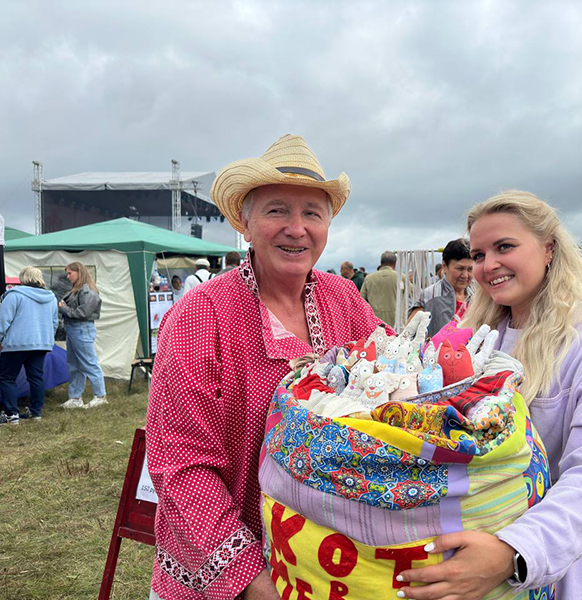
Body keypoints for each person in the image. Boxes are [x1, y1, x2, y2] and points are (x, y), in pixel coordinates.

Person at [145, 134, 389, 600]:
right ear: (246, 222)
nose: (296, 229)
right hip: (229, 575)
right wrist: (255, 581)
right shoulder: (201, 315)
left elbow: (399, 380)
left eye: (312, 213)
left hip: (326, 570)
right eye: (278, 210)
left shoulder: (345, 299)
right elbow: (182, 468)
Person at [398, 191, 582, 600]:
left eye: (505, 247)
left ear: (549, 248)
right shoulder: (476, 339)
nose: (488, 265)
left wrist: (511, 553)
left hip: (555, 566)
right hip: (464, 554)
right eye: (479, 254)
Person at [0, 267, 58, 424]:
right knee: (36, 378)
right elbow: (54, 323)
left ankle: (12, 415)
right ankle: (36, 413)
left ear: (22, 278)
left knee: (7, 378)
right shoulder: (51, 297)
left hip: (15, 344)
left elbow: (3, 321)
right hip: (41, 344)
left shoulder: (14, 296)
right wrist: (47, 340)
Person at [58, 262, 106, 409]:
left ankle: (100, 396)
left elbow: (82, 313)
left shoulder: (87, 290)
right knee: (74, 364)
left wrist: (64, 309)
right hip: (73, 329)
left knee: (89, 363)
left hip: (81, 329)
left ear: (79, 272)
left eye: (70, 273)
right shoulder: (76, 289)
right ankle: (75, 397)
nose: (67, 276)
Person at [409, 238, 474, 336]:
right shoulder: (430, 295)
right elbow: (408, 333)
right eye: (459, 268)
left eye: (470, 269)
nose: (465, 275)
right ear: (444, 266)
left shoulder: (475, 296)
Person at [360, 250, 400, 328]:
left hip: (375, 321)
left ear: (381, 263)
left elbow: (361, 300)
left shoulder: (369, 278)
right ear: (395, 264)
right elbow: (413, 295)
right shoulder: (401, 277)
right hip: (397, 321)